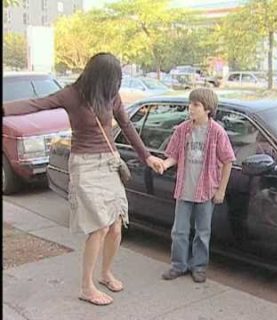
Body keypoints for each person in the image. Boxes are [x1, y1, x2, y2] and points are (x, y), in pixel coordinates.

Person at [3, 53, 164, 305]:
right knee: (99, 227)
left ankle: (106, 273)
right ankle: (86, 286)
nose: (117, 84)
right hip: (85, 166)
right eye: (114, 79)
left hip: (109, 164)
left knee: (116, 225)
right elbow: (38, 104)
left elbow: (127, 126)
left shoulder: (111, 95)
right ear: (100, 77)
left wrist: (147, 156)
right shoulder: (72, 94)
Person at [160, 88, 235, 283]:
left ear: (207, 109)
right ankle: (178, 265)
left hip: (206, 190)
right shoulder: (183, 130)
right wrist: (164, 164)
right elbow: (173, 155)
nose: (190, 108)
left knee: (202, 232)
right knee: (179, 231)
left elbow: (228, 161)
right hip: (185, 189)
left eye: (196, 105)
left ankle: (199, 266)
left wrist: (221, 189)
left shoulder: (217, 132)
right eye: (190, 104)